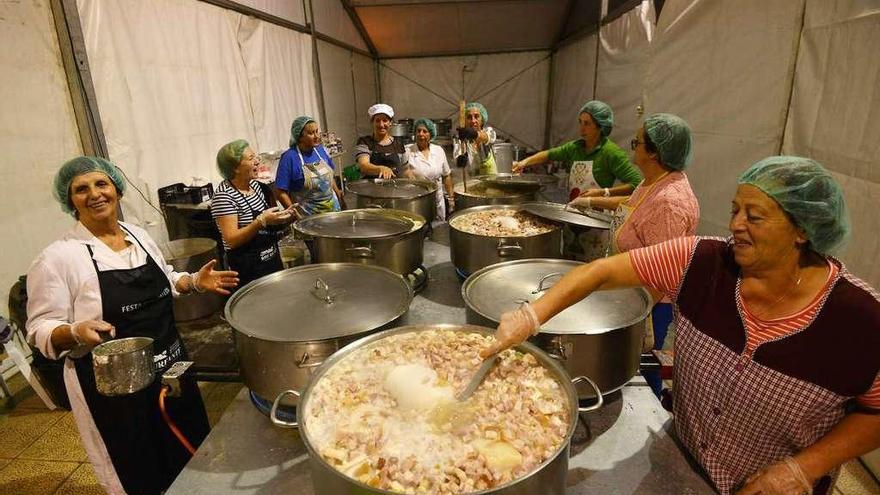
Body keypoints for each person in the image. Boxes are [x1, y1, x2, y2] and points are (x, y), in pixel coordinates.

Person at [481, 156, 880, 495]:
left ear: (803, 230)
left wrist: (803, 468)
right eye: (735, 210)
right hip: (682, 460)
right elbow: (601, 272)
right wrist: (532, 315)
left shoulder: (859, 320)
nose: (737, 225)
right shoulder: (701, 262)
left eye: (754, 216)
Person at [26, 156, 239, 495]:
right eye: (81, 189)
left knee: (190, 452)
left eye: (101, 184)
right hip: (115, 392)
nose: (94, 194)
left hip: (173, 368)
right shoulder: (58, 258)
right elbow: (39, 329)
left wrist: (193, 282)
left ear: (116, 189)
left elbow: (166, 279)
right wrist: (74, 331)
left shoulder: (138, 236)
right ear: (70, 201)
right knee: (140, 468)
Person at [570, 113, 700, 396]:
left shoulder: (670, 203)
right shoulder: (654, 181)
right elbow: (633, 204)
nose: (633, 148)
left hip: (650, 305)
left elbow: (662, 272)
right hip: (630, 290)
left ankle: (650, 406)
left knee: (638, 365)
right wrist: (592, 200)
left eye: (636, 143)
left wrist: (630, 317)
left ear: (654, 152)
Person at [513, 100, 642, 201]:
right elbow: (549, 154)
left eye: (587, 124)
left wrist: (605, 192)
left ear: (600, 126)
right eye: (580, 122)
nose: (581, 129)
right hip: (573, 211)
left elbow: (636, 183)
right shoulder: (575, 147)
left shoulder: (611, 152)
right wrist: (523, 163)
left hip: (597, 218)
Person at [212, 139, 294, 288]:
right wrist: (260, 221)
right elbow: (231, 239)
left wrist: (286, 217)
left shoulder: (257, 186)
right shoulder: (224, 197)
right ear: (235, 167)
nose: (257, 161)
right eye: (251, 158)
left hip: (271, 259)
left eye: (256, 157)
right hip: (247, 268)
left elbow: (268, 224)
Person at [275, 116, 344, 215]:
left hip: (333, 211)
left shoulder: (321, 150)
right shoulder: (289, 157)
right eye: (311, 133)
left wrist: (339, 196)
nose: (316, 136)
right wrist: (295, 215)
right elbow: (280, 192)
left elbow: (329, 178)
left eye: (317, 131)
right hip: (308, 218)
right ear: (299, 136)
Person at [405, 118, 454, 220]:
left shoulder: (439, 150)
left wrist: (451, 198)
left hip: (437, 200)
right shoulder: (407, 151)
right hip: (417, 201)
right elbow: (404, 173)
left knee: (438, 229)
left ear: (431, 134)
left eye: (425, 131)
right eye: (418, 131)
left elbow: (446, 175)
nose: (421, 134)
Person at [355, 103, 411, 179]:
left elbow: (405, 170)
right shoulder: (365, 142)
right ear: (372, 122)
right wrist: (381, 169)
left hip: (394, 188)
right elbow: (364, 166)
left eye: (385, 120)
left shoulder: (398, 144)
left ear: (390, 123)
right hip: (370, 189)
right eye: (377, 121)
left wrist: (415, 181)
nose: (381, 125)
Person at [453, 102, 498, 175]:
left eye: (476, 116)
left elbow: (488, 138)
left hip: (491, 181)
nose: (473, 121)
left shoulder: (489, 131)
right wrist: (460, 160)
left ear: (482, 119)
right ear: (465, 121)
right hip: (472, 182)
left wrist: (474, 134)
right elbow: (457, 157)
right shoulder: (460, 140)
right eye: (469, 117)